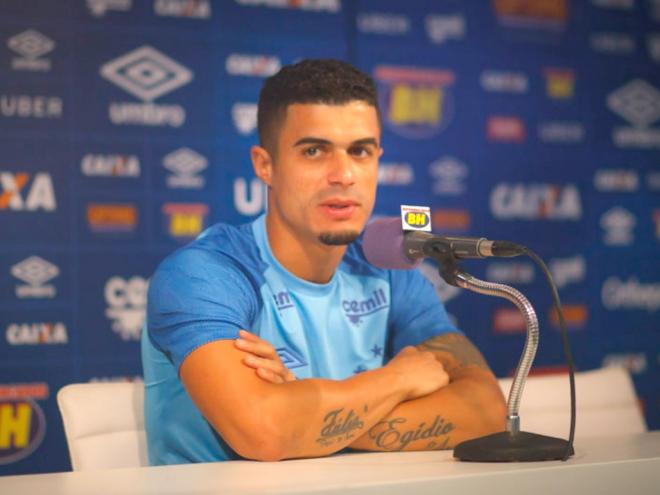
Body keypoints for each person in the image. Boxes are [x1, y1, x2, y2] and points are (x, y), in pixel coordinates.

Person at [142, 59, 506, 465]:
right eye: (314, 151)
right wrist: (396, 380)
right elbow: (264, 432)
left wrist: (305, 415)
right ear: (265, 165)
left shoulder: (390, 271)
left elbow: (487, 412)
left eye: (360, 151)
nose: (344, 174)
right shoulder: (205, 274)